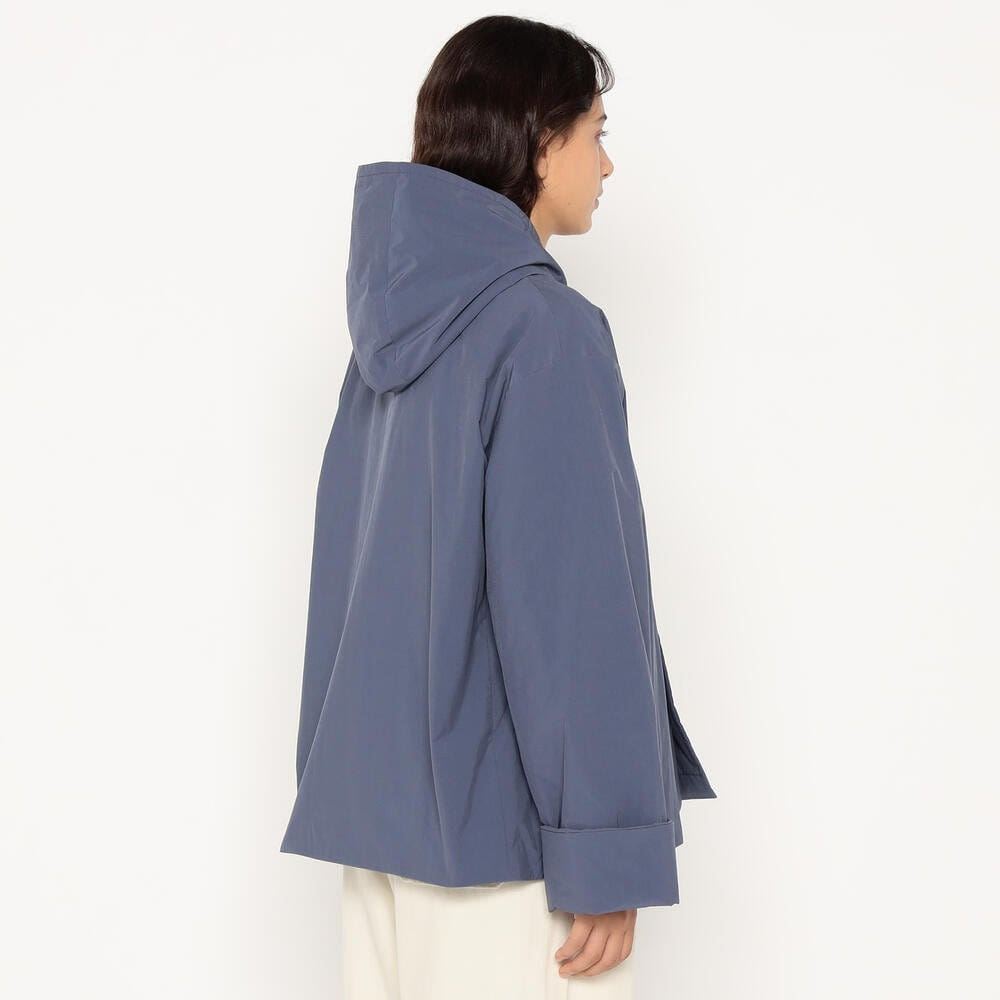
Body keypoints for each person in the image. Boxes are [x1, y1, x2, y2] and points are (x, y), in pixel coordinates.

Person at [279, 15, 717, 998]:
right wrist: (605, 848)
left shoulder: (393, 335)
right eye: (596, 132)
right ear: (539, 138)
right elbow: (570, 609)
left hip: (385, 838)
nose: (607, 164)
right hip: (503, 855)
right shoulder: (542, 329)